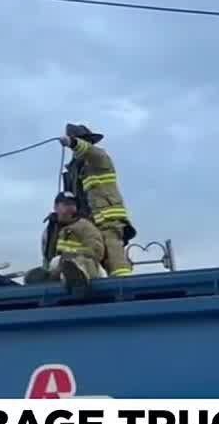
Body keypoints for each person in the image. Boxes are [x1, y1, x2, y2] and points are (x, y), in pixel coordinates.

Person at [60, 123, 137, 278]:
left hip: (107, 218)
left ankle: (124, 286)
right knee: (83, 253)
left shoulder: (99, 159)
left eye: (84, 141)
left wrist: (73, 143)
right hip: (88, 222)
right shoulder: (75, 169)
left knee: (113, 255)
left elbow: (92, 152)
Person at [26, 192, 105, 295]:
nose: (71, 208)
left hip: (89, 269)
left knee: (74, 263)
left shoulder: (86, 226)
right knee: (47, 268)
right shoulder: (49, 231)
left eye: (73, 205)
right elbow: (46, 257)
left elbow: (96, 251)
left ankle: (77, 278)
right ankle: (47, 280)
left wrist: (72, 255)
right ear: (55, 207)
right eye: (66, 204)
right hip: (58, 269)